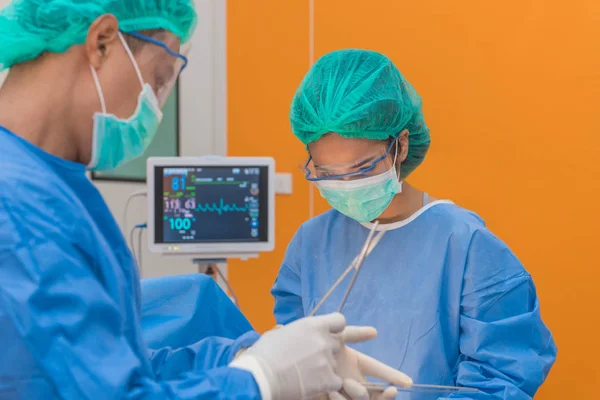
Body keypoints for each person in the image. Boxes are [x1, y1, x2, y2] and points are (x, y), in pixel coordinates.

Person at [0, 2, 411, 399]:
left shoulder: (53, 188)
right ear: (102, 40)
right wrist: (258, 379)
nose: (155, 111)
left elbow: (122, 367)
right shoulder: (17, 206)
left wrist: (243, 357)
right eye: (159, 81)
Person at [272, 49, 558, 399]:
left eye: (361, 169)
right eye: (327, 174)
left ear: (401, 146)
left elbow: (502, 377)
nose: (346, 186)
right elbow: (292, 354)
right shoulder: (311, 243)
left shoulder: (465, 244)